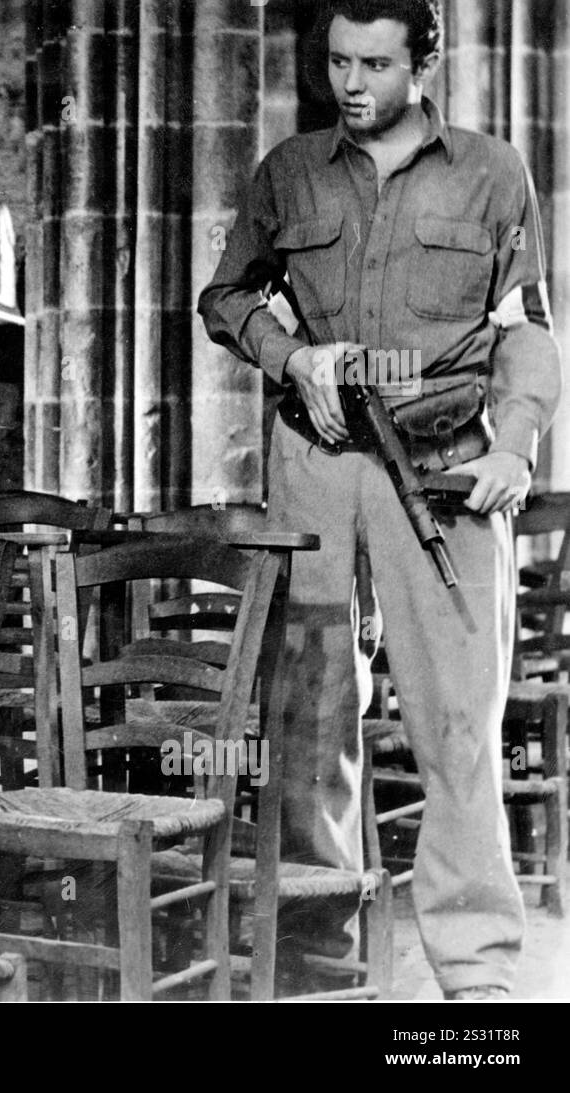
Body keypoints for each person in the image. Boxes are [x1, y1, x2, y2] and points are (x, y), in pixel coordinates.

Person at [198, 0, 560, 999]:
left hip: (440, 469)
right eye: (336, 63)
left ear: (423, 62)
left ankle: (477, 979)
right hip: (316, 459)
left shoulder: (493, 173)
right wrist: (288, 350)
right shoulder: (288, 171)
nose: (350, 84)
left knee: (457, 722)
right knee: (310, 710)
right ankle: (321, 950)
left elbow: (525, 325)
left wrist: (518, 446)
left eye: (373, 64)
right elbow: (224, 298)